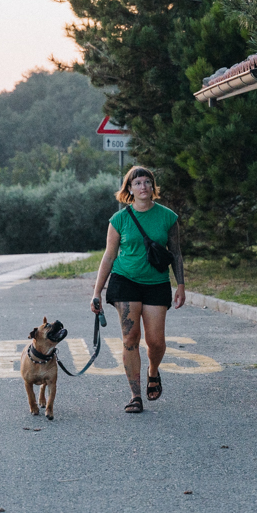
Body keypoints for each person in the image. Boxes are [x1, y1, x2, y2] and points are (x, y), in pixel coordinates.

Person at [91, 166, 185, 413]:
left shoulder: (168, 217)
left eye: (147, 182)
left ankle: (153, 371)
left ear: (153, 187)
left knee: (156, 342)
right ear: (129, 189)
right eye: (138, 183)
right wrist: (96, 291)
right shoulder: (119, 219)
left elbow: (175, 254)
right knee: (130, 338)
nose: (143, 187)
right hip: (125, 281)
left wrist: (181, 285)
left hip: (156, 284)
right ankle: (135, 395)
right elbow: (109, 256)